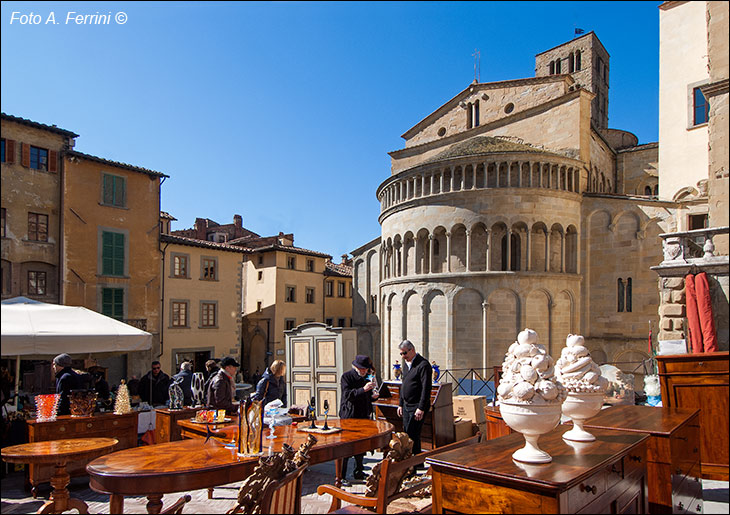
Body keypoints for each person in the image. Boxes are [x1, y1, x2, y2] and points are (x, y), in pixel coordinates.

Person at [339, 355, 379, 484]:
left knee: (361, 446)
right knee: (346, 447)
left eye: (365, 369)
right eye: (361, 369)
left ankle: (359, 471)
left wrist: (374, 396)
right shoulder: (347, 377)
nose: (364, 371)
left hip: (363, 415)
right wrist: (363, 389)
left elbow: (367, 397)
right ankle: (341, 476)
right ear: (355, 367)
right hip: (350, 415)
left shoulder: (367, 377)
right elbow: (348, 395)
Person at [396, 340, 431, 456]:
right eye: (401, 354)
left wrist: (421, 408)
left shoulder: (423, 365)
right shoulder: (406, 365)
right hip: (406, 405)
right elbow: (403, 384)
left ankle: (416, 463)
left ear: (412, 350)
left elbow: (426, 388)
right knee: (407, 434)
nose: (403, 356)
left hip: (417, 406)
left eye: (404, 353)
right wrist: (400, 404)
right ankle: (412, 462)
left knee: (413, 434)